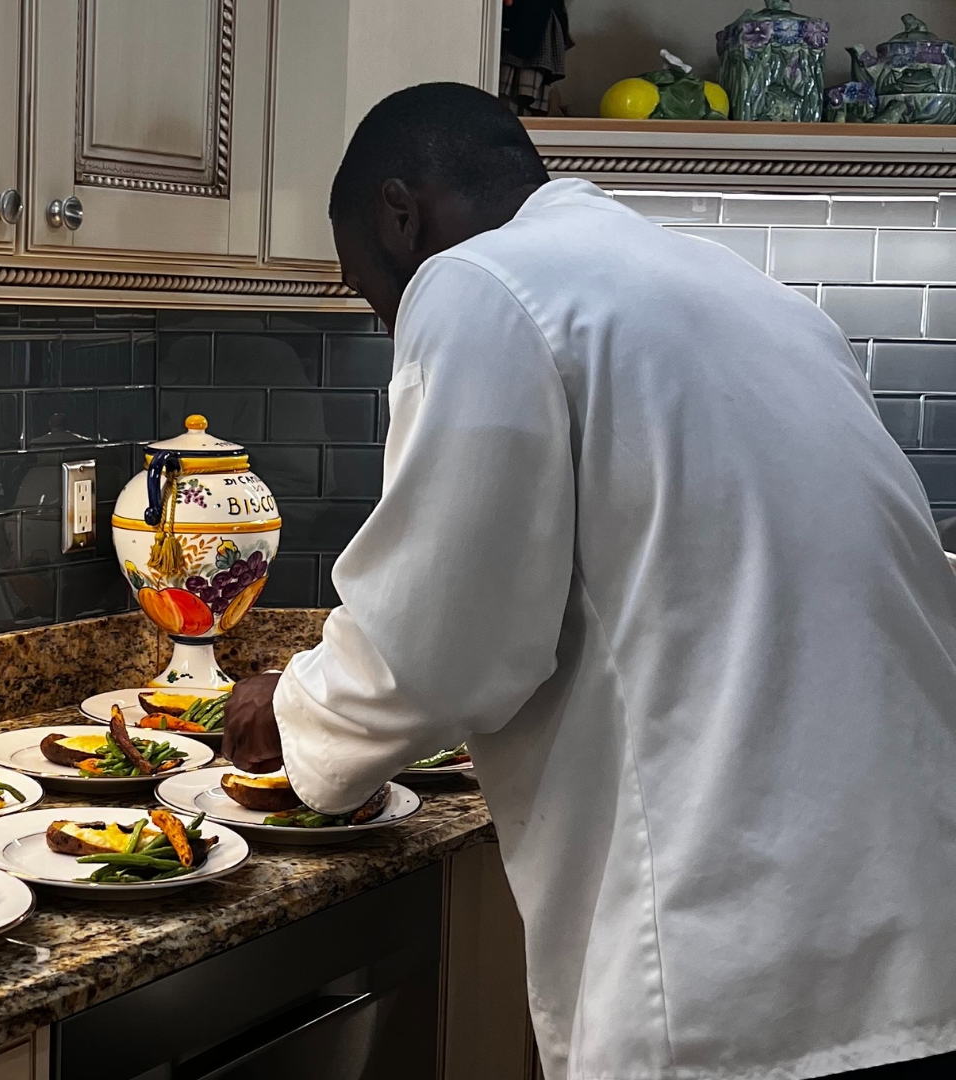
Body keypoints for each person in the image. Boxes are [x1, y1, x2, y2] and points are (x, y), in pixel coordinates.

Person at [222, 82, 956, 1080]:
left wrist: (290, 709)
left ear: (402, 215)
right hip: (914, 947)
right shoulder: (750, 294)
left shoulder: (476, 281)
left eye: (364, 285)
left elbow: (441, 641)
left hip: (730, 982)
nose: (382, 315)